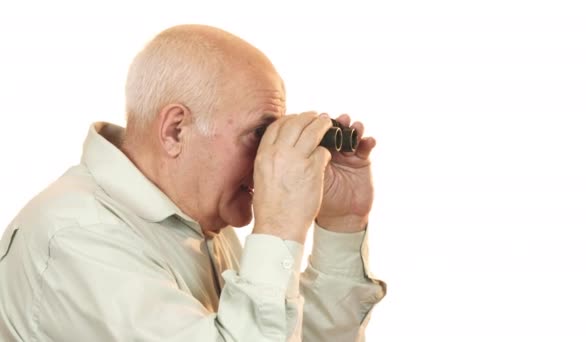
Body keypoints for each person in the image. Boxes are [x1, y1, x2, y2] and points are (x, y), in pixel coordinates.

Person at [0, 24, 386, 341]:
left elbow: (287, 335)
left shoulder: (193, 221)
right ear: (176, 130)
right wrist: (280, 226)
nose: (271, 156)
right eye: (260, 133)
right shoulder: (78, 238)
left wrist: (341, 224)